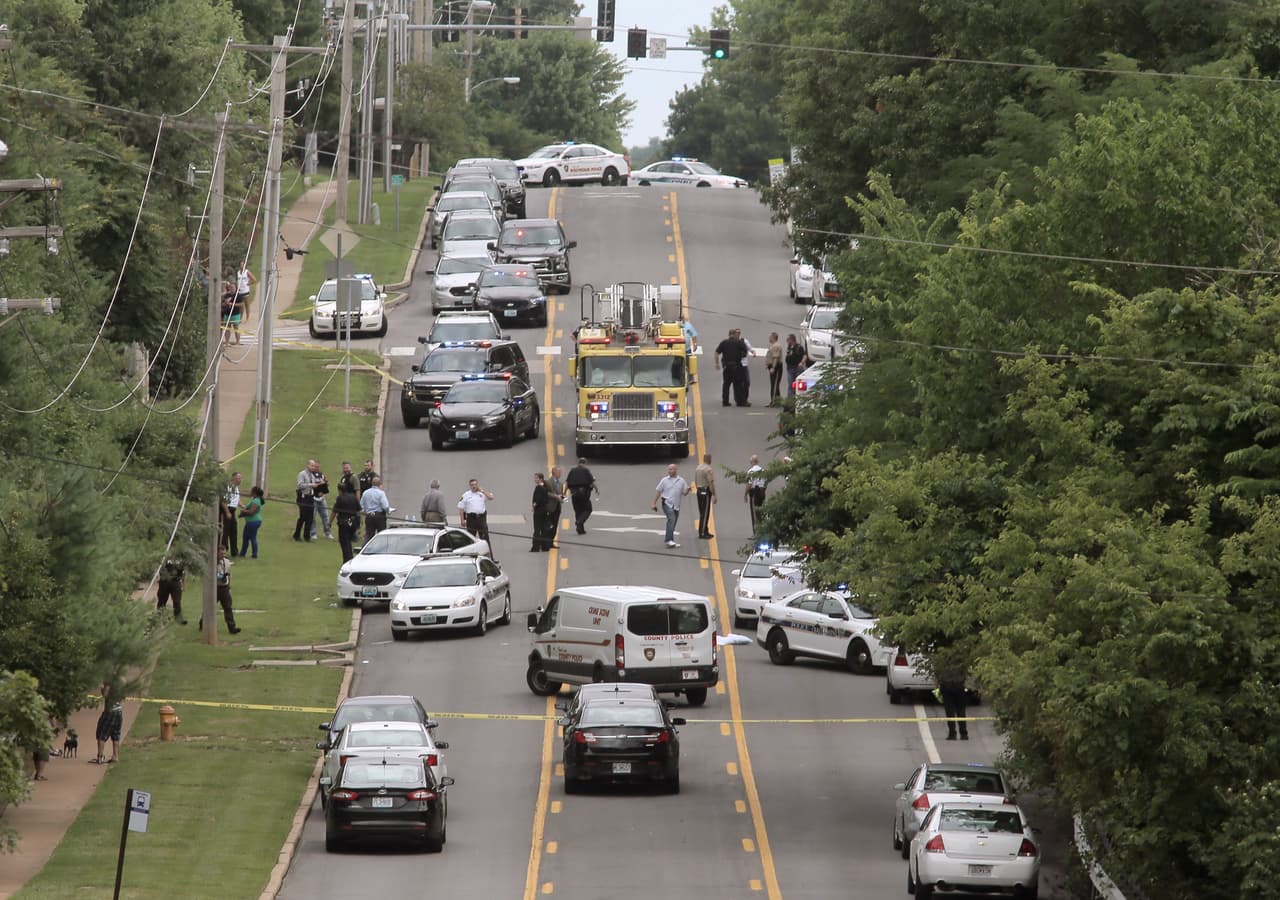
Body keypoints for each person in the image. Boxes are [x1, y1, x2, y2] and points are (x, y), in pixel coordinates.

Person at [203, 547, 241, 634]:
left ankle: (232, 628)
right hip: (214, 588)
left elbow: (229, 575)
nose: (223, 555)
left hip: (224, 588)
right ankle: (203, 623)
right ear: (216, 553)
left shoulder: (227, 562)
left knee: (228, 607)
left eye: (224, 553)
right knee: (209, 607)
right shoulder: (212, 562)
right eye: (221, 554)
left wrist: (229, 586)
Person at [652, 463, 691, 548]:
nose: (669, 471)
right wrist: (654, 503)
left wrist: (688, 490)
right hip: (666, 502)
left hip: (676, 505)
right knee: (671, 519)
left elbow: (684, 493)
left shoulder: (681, 481)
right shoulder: (664, 480)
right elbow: (658, 492)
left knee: (673, 522)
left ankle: (671, 541)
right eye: (668, 469)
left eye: (671, 469)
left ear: (676, 470)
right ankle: (668, 540)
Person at [714, 328, 750, 407]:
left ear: (729, 334)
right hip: (736, 366)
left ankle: (725, 401)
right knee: (738, 384)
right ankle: (740, 401)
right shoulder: (739, 342)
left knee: (726, 384)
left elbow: (716, 352)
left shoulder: (724, 342)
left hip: (726, 367)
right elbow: (745, 350)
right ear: (735, 334)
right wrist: (741, 356)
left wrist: (717, 363)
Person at [91, 683, 123, 764]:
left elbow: (105, 695)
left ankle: (100, 757)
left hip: (110, 712)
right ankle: (115, 756)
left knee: (102, 733)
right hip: (119, 711)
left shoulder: (109, 681)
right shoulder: (119, 680)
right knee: (116, 734)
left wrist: (102, 688)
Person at [564, 458, 598, 534]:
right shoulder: (586, 470)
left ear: (578, 463)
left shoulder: (572, 470)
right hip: (584, 494)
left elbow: (567, 482)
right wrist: (596, 490)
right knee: (588, 509)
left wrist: (564, 493)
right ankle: (579, 522)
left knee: (578, 511)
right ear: (585, 463)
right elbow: (592, 482)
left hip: (574, 494)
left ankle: (580, 529)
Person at [330, 486, 362, 562]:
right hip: (353, 523)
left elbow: (334, 512)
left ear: (340, 490)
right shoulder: (354, 497)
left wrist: (329, 522)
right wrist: (359, 523)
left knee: (344, 542)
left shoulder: (340, 498)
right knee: (349, 542)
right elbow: (359, 510)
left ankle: (347, 560)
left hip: (343, 523)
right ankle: (350, 558)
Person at [156, 555, 187, 625]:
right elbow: (158, 567)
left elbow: (183, 572)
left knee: (177, 601)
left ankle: (178, 618)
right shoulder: (164, 555)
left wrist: (183, 584)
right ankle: (160, 617)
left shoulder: (180, 558)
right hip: (164, 581)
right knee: (162, 600)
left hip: (175, 582)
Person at [939, 673, 969, 741]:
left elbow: (937, 671)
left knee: (951, 712)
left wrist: (937, 682)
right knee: (960, 711)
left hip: (948, 685)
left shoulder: (941, 662)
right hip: (958, 685)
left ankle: (953, 734)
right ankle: (963, 734)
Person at [360, 476, 391, 541]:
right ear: (380, 484)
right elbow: (385, 506)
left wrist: (366, 511)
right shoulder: (381, 493)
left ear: (372, 483)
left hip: (369, 516)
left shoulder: (365, 493)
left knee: (369, 535)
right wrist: (388, 511)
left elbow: (361, 506)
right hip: (379, 516)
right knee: (382, 535)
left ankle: (366, 549)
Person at [694, 452, 717, 539]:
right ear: (709, 459)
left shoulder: (698, 468)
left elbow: (695, 481)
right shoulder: (708, 469)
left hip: (699, 491)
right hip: (706, 491)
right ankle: (702, 532)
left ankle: (705, 530)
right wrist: (714, 494)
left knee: (701, 512)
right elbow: (710, 483)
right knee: (705, 513)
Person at [238, 486, 265, 558]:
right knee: (245, 537)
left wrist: (244, 511)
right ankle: (242, 554)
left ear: (255, 493)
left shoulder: (256, 501)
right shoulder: (255, 500)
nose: (250, 492)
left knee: (253, 537)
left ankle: (254, 554)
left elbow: (251, 512)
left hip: (253, 521)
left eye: (251, 491)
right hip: (250, 521)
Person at [293, 461, 316, 542]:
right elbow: (300, 485)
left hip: (310, 498)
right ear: (308, 465)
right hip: (303, 498)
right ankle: (296, 535)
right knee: (302, 517)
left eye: (314, 466)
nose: (313, 467)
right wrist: (310, 485)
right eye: (312, 465)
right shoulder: (302, 474)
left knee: (310, 518)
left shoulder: (312, 476)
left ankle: (307, 536)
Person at [221, 471, 243, 555]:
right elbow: (223, 500)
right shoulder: (229, 487)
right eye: (238, 478)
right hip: (228, 509)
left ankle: (234, 551)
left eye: (240, 478)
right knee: (226, 531)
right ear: (233, 478)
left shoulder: (236, 488)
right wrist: (227, 512)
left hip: (233, 510)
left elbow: (236, 500)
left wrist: (243, 506)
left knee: (234, 530)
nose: (240, 480)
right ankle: (224, 549)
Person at [310, 462, 333, 541]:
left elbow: (326, 484)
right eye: (315, 466)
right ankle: (313, 533)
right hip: (313, 498)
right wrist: (321, 483)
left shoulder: (322, 475)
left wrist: (325, 486)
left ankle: (328, 533)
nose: (316, 468)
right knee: (313, 517)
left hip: (322, 498)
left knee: (325, 516)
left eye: (318, 466)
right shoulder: (310, 475)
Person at [745, 454, 767, 533]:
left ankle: (756, 533)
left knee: (755, 513)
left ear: (752, 462)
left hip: (754, 493)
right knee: (762, 511)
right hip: (762, 492)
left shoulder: (751, 471)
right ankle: (763, 531)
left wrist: (745, 494)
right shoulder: (763, 471)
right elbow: (765, 482)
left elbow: (749, 484)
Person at [531, 473, 552, 551]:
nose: (535, 479)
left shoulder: (538, 488)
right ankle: (545, 546)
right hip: (544, 510)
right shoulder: (545, 487)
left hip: (539, 511)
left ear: (540, 479)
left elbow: (537, 499)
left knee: (537, 529)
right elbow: (546, 499)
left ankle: (535, 547)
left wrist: (534, 506)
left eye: (536, 478)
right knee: (544, 529)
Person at [546, 466, 564, 545]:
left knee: (555, 525)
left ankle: (551, 542)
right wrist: (556, 496)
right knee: (549, 526)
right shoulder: (548, 482)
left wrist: (562, 498)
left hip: (557, 507)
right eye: (559, 472)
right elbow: (546, 493)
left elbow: (560, 494)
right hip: (550, 507)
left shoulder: (560, 483)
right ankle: (546, 542)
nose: (560, 474)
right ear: (554, 472)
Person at [764, 332, 783, 406]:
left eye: (770, 337)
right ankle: (776, 401)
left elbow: (775, 358)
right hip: (772, 366)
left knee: (774, 385)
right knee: (774, 385)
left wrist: (773, 367)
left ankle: (774, 402)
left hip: (776, 367)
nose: (769, 338)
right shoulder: (772, 345)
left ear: (773, 337)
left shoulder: (776, 346)